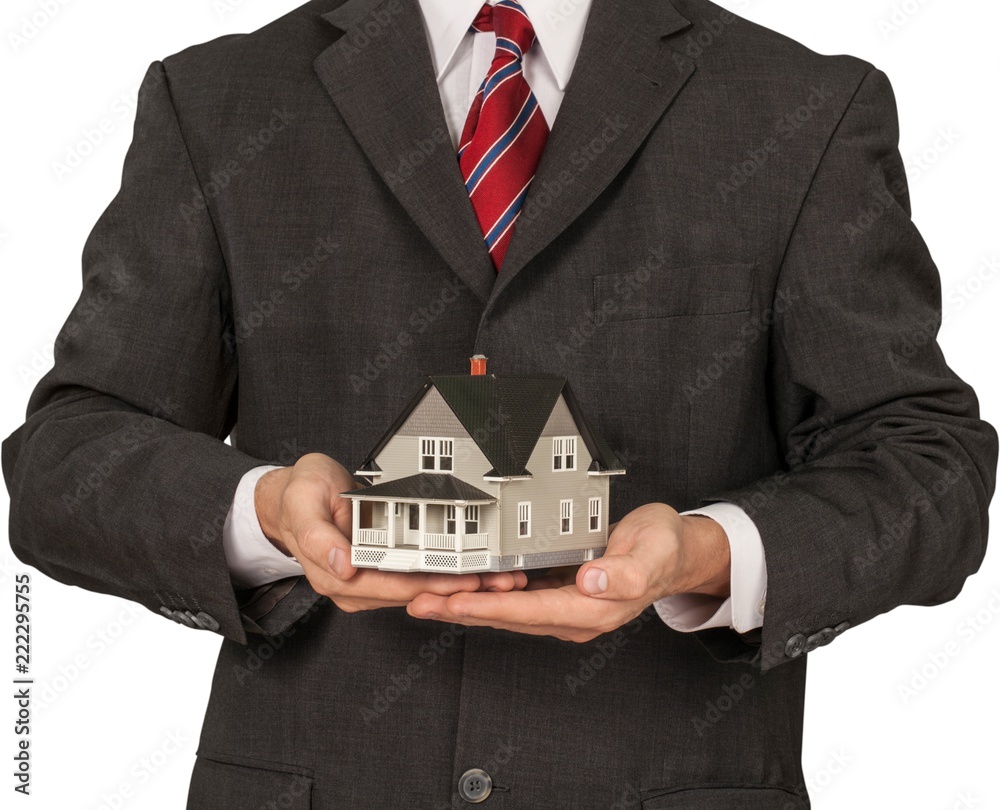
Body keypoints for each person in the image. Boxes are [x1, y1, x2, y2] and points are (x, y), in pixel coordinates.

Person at [4, 0, 996, 807]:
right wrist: (265, 514)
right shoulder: (216, 100)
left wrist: (706, 555)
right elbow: (69, 457)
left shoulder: (804, 108)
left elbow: (926, 467)